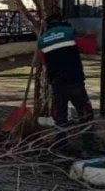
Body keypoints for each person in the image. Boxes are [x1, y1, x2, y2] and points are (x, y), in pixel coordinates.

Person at [37, 12, 94, 151]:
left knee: (60, 115)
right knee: (84, 112)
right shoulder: (69, 32)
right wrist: (91, 35)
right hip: (74, 80)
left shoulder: (42, 40)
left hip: (57, 83)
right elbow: (89, 49)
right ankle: (88, 145)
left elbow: (43, 62)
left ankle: (60, 145)